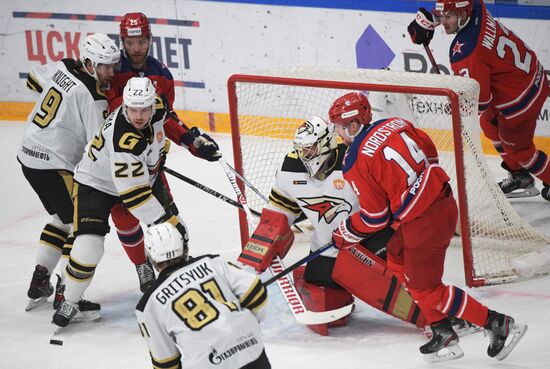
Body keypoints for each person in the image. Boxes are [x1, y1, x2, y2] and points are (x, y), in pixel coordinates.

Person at [328, 91, 527, 361]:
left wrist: (346, 232)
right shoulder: (395, 123)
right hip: (441, 203)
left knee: (427, 290)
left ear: (353, 125)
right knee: (397, 260)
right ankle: (441, 329)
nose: (338, 133)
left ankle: (497, 324)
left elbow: (375, 218)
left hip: (424, 223)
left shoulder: (354, 161)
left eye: (339, 126)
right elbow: (430, 152)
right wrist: (415, 189)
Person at [237, 116, 431, 336]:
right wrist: (253, 263)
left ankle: (437, 314)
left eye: (309, 149)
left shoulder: (355, 159)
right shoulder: (290, 167)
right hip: (326, 248)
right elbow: (277, 218)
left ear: (327, 143)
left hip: (370, 237)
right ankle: (308, 277)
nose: (304, 155)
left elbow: (389, 204)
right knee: (329, 312)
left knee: (404, 283)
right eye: (301, 149)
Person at [52, 77, 189, 327]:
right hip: (96, 184)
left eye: (144, 109)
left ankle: (183, 292)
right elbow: (135, 197)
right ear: (125, 105)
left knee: (179, 233)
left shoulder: (156, 106)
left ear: (152, 103)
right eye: (133, 109)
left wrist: (190, 139)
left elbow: (165, 121)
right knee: (88, 247)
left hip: (139, 178)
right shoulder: (124, 138)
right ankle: (70, 300)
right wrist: (164, 221)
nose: (138, 115)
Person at [104, 12, 221, 293]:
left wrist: (192, 142)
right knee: (125, 217)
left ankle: (175, 266)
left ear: (150, 40)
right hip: (116, 160)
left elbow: (164, 117)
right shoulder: (110, 72)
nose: (136, 48)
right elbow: (104, 114)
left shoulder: (162, 75)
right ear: (122, 41)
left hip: (151, 162)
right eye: (130, 42)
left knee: (167, 219)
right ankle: (142, 266)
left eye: (141, 41)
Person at [407, 0, 550, 200]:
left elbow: (479, 102)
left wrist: (455, 101)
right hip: (532, 75)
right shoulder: (477, 6)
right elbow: (452, 8)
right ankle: (519, 176)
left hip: (520, 102)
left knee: (521, 151)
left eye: (448, 17)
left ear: (463, 14)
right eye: (443, 15)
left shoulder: (466, 52)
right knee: (489, 123)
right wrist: (430, 21)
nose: (444, 21)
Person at [18, 33, 120, 310]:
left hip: (28, 155)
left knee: (60, 220)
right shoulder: (94, 98)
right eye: (105, 66)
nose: (110, 72)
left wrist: (63, 103)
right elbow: (97, 145)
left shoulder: (63, 66)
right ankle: (66, 292)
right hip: (54, 165)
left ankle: (40, 281)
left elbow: (33, 79)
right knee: (80, 229)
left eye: (112, 65)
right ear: (88, 63)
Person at [136, 222, 271, 369]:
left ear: (151, 258)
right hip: (250, 349)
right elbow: (257, 293)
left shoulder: (148, 305)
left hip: (208, 363)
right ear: (183, 246)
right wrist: (247, 327)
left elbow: (166, 362)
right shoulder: (213, 262)